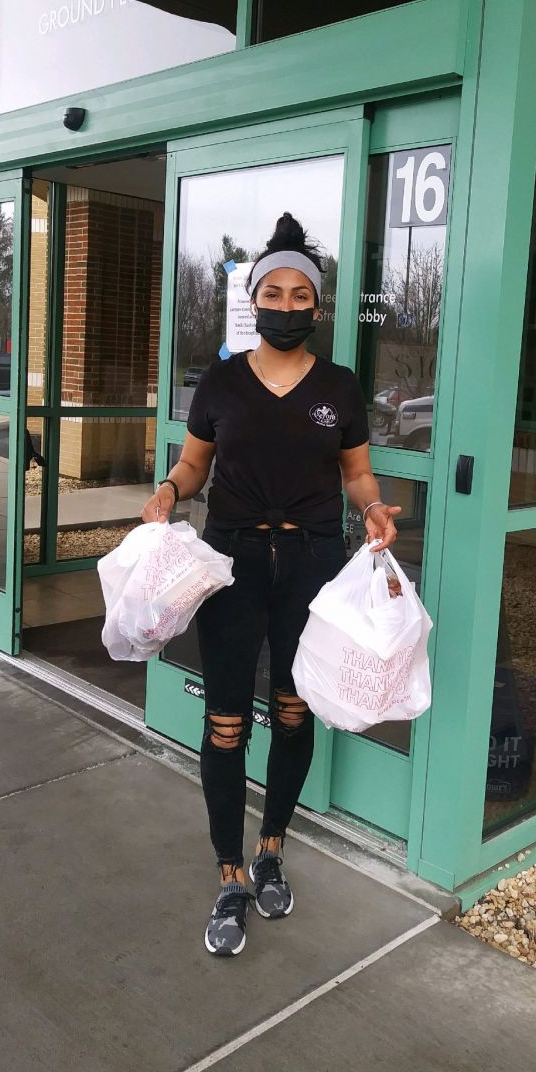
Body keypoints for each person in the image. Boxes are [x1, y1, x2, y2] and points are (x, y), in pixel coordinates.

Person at [141, 212, 400, 957]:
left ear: (316, 307)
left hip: (312, 564)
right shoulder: (221, 380)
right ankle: (229, 874)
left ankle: (272, 850)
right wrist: (168, 490)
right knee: (227, 721)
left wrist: (375, 508)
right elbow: (195, 466)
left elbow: (356, 475)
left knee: (293, 711)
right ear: (254, 299)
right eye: (273, 293)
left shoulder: (341, 388)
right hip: (232, 565)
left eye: (300, 296)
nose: (286, 306)